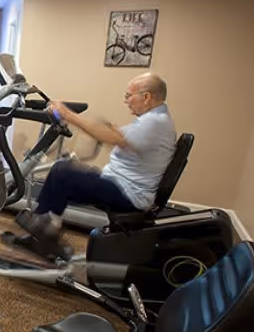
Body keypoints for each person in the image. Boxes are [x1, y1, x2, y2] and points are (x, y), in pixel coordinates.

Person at [17, 72, 176, 243]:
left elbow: (115, 140)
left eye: (128, 96)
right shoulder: (157, 120)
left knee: (62, 171)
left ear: (146, 97)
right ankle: (47, 225)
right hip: (123, 186)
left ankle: (45, 231)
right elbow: (124, 136)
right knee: (64, 174)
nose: (126, 101)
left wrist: (67, 114)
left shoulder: (154, 122)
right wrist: (107, 127)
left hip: (128, 194)